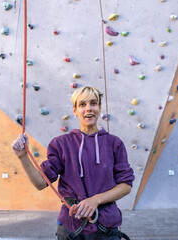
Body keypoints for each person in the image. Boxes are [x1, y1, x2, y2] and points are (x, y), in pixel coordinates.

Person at [12, 86, 134, 239]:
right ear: (75, 111)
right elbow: (40, 183)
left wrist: (95, 200)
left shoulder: (114, 143)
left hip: (106, 228)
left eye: (93, 103)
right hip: (72, 228)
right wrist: (23, 156)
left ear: (99, 108)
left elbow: (126, 186)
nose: (88, 108)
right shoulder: (61, 144)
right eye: (82, 105)